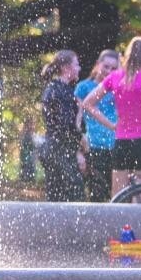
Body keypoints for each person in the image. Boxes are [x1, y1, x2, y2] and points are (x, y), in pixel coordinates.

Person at [81, 36, 141, 198]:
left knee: (118, 199)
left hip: (121, 143)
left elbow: (88, 103)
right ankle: (136, 225)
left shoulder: (115, 77)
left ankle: (120, 225)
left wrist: (112, 125)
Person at [74, 49, 121, 202]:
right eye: (106, 66)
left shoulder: (119, 88)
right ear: (97, 65)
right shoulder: (84, 88)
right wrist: (79, 148)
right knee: (97, 192)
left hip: (115, 146)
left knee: (116, 194)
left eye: (114, 68)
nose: (109, 71)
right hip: (94, 146)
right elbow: (77, 119)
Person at [38, 50, 84, 201]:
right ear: (66, 68)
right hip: (58, 150)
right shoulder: (58, 91)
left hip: (56, 148)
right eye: (76, 64)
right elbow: (65, 126)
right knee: (73, 194)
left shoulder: (61, 89)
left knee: (58, 195)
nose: (79, 68)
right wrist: (81, 142)